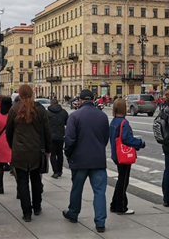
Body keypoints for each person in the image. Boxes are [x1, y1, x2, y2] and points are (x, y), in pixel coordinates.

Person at [62, 89, 109, 233]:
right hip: (98, 160)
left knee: (77, 188)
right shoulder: (103, 116)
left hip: (79, 158)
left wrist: (68, 154)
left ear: (80, 100)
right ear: (94, 99)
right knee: (100, 191)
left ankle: (73, 213)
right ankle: (100, 222)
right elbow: (105, 138)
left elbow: (70, 139)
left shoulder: (74, 116)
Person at [6, 85, 51, 223]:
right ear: (32, 94)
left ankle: (26, 212)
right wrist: (48, 149)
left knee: (22, 181)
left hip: (20, 151)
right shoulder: (40, 109)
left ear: (19, 95)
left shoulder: (14, 109)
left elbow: (9, 132)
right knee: (36, 179)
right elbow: (47, 132)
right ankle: (37, 207)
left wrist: (13, 146)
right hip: (36, 150)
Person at [109, 99, 145, 215]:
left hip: (116, 154)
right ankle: (121, 206)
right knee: (123, 181)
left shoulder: (114, 121)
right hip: (123, 155)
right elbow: (126, 139)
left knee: (121, 179)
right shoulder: (123, 122)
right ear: (122, 108)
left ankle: (114, 204)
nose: (128, 107)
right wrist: (139, 143)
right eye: (126, 106)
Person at [0, 97, 13, 194]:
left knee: (0, 166)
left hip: (1, 143)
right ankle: (19, 190)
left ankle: (0, 186)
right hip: (12, 142)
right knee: (14, 166)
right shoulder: (13, 116)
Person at [47, 98, 69, 179]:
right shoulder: (63, 112)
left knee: (53, 154)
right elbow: (67, 122)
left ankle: (55, 171)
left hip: (51, 136)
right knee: (60, 153)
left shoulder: (48, 112)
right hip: (61, 135)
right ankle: (60, 170)